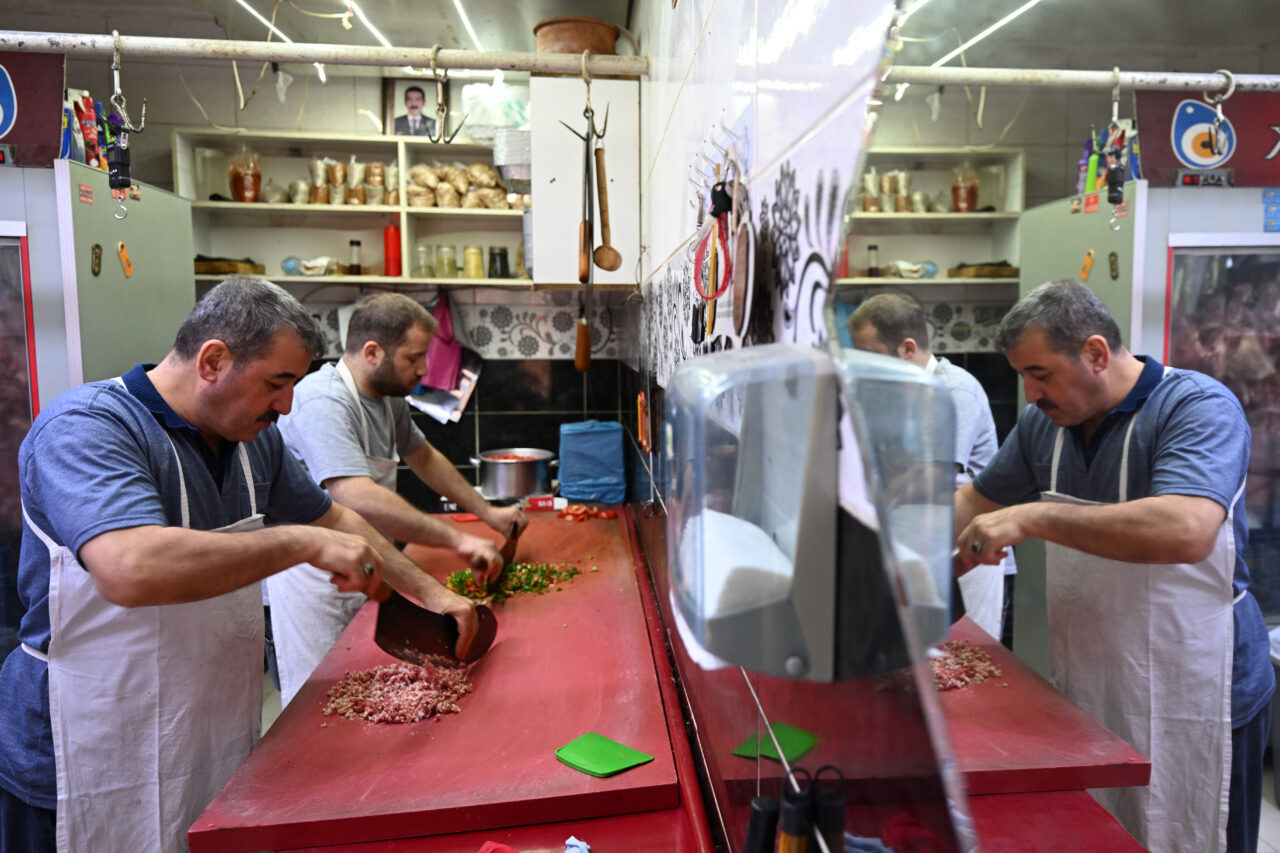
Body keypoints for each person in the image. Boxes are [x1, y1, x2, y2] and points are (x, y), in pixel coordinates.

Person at [0, 277, 480, 853]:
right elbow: (130, 567)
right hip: (82, 752)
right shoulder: (89, 428)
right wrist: (298, 545)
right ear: (213, 360)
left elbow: (338, 521)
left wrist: (435, 595)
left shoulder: (255, 442)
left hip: (206, 733)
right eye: (278, 384)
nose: (287, 406)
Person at [954, 279, 1274, 853]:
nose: (1030, 395)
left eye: (1041, 374)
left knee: (1201, 831)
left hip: (1200, 683)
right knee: (1108, 830)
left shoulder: (1195, 407)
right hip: (1098, 674)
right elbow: (974, 506)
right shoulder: (1043, 426)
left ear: (1096, 354)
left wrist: (1034, 520)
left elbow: (1186, 528)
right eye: (1023, 377)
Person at [271, 292, 526, 706]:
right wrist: (457, 539)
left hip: (371, 563)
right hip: (316, 580)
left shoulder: (388, 398)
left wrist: (487, 513)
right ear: (372, 352)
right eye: (414, 357)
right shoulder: (323, 400)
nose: (425, 369)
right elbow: (355, 496)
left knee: (376, 695)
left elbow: (423, 456)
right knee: (321, 705)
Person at [848, 292, 1013, 640]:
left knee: (970, 659)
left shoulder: (954, 392)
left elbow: (930, 480)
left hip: (969, 552)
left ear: (908, 348)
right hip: (918, 544)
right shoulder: (897, 393)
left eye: (871, 356)